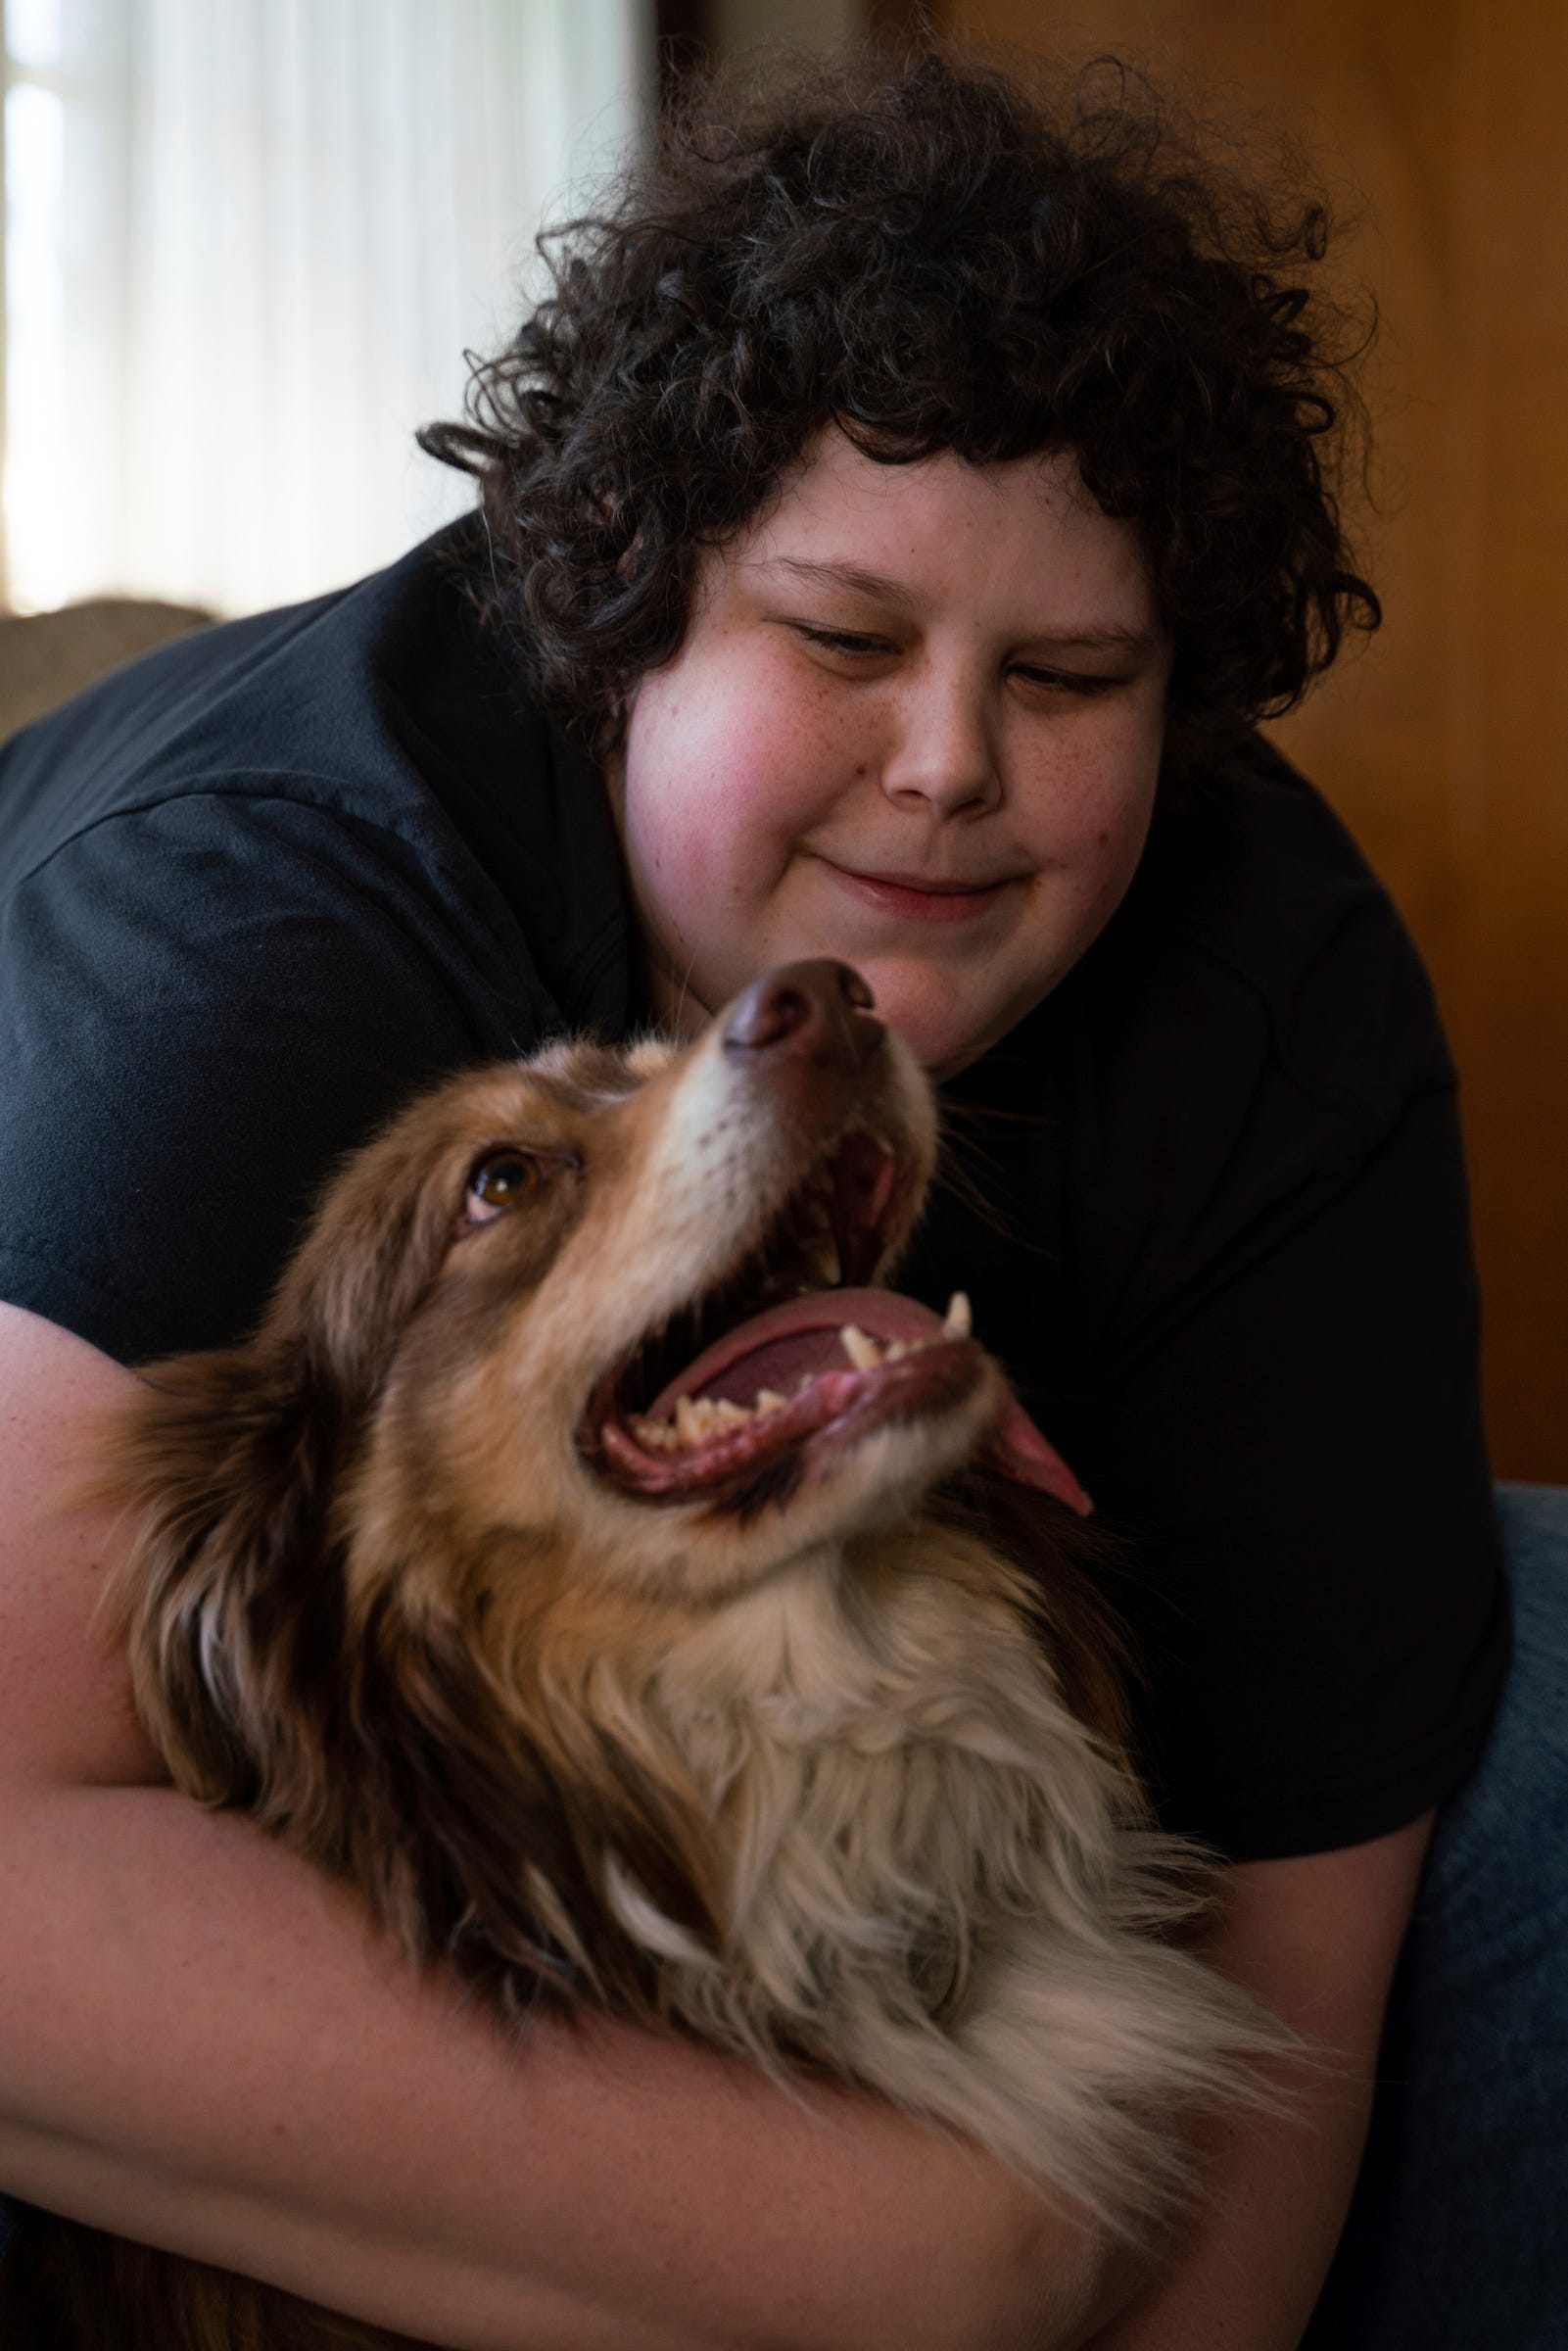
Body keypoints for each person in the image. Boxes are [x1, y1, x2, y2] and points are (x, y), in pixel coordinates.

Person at [0, 42, 1556, 2351]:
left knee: (1535, 1666)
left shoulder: (1270, 1000)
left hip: (873, 1861)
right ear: (628, 621)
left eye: (1073, 674)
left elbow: (1296, 1961)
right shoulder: (245, 941)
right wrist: (954, 2251)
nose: (949, 767)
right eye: (840, 642)